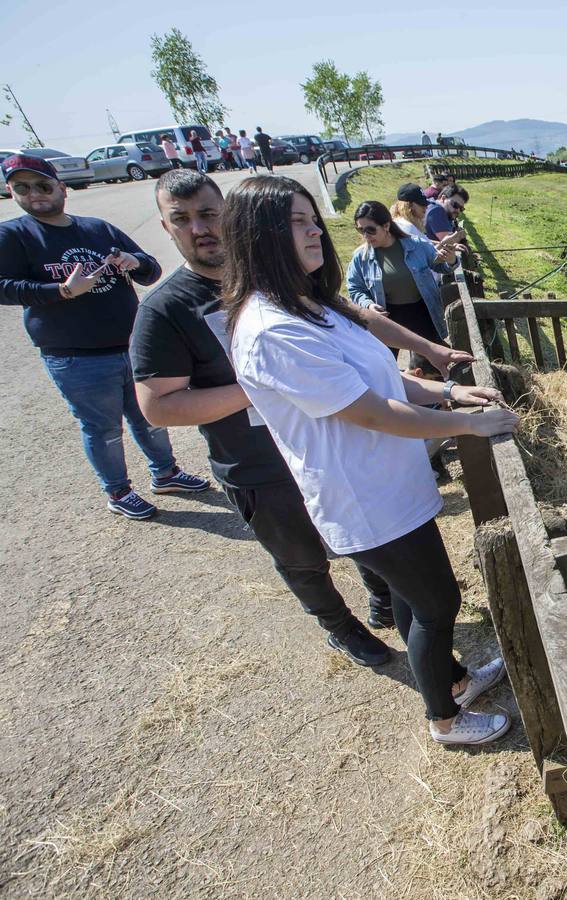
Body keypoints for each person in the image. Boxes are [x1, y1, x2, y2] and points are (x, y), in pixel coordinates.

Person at [221, 174, 517, 746]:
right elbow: (372, 411)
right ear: (256, 237)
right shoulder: (271, 329)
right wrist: (468, 424)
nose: (313, 234)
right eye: (295, 224)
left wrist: (449, 394)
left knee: (414, 598)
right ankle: (445, 720)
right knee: (437, 605)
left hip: (388, 482)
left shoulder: (309, 303)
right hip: (362, 496)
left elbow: (385, 377)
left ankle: (453, 682)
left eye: (312, 220)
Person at [130, 171, 466, 661]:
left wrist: (429, 350)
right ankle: (340, 626)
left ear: (236, 219)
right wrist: (270, 385)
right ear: (166, 227)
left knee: (364, 540)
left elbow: (356, 316)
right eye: (181, 219)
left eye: (208, 214)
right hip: (257, 461)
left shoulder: (283, 280)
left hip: (328, 441)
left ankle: (384, 604)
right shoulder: (167, 309)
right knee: (303, 557)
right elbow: (157, 406)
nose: (199, 228)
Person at [0, 154, 209, 518]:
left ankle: (166, 473)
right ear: (10, 192)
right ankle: (118, 491)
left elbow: (150, 268)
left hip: (129, 345)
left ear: (62, 189)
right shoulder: (14, 235)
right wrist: (61, 291)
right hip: (76, 355)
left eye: (43, 186)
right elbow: (4, 287)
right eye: (22, 188)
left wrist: (135, 262)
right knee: (103, 428)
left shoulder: (97, 229)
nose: (35, 195)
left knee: (150, 416)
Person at [346, 199, 455, 373]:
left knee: (429, 364)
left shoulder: (417, 245)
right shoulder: (361, 257)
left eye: (370, 229)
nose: (366, 235)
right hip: (387, 317)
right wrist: (368, 304)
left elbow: (441, 266)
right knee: (384, 365)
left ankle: (434, 398)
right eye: (361, 230)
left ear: (386, 225)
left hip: (422, 312)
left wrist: (450, 259)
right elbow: (355, 288)